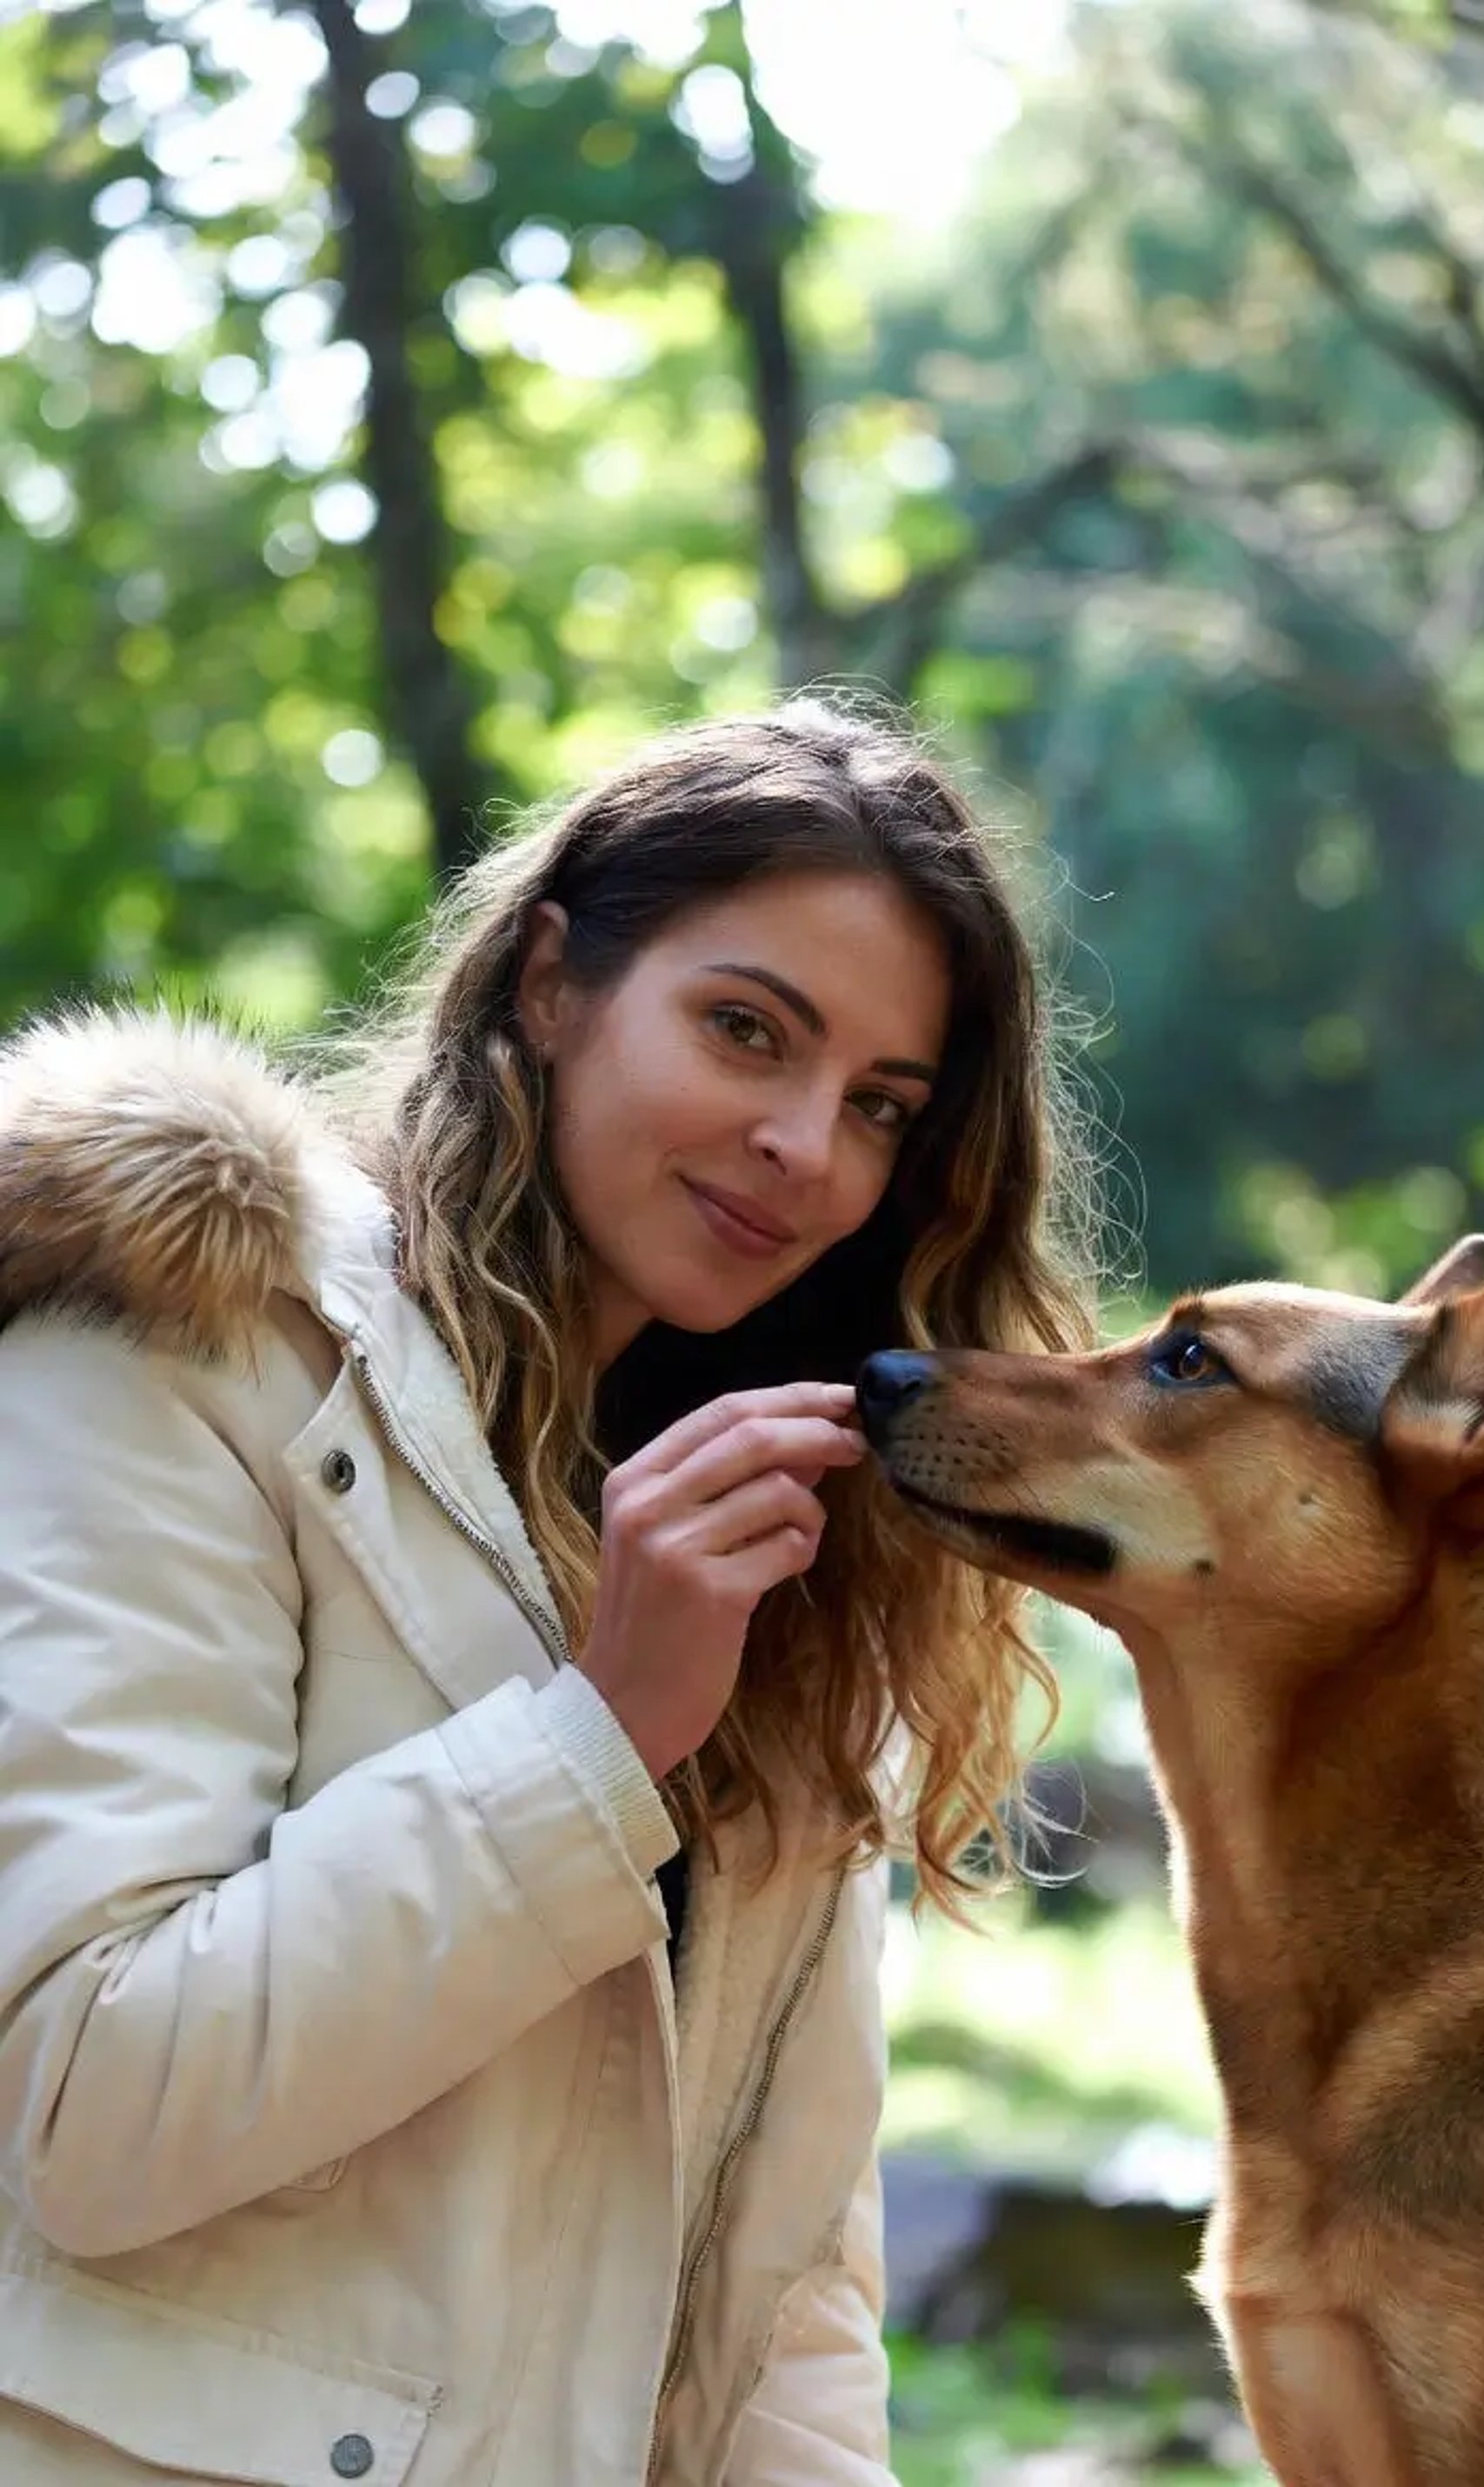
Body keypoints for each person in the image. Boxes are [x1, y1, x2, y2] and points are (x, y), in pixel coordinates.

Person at [0, 697, 1098, 2487]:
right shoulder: (181, 1352)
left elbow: (786, 2268)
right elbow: (85, 2106)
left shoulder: (793, 1541)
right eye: (749, 1030)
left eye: (880, 1105)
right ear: (550, 982)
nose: (807, 1148)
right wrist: (602, 1740)